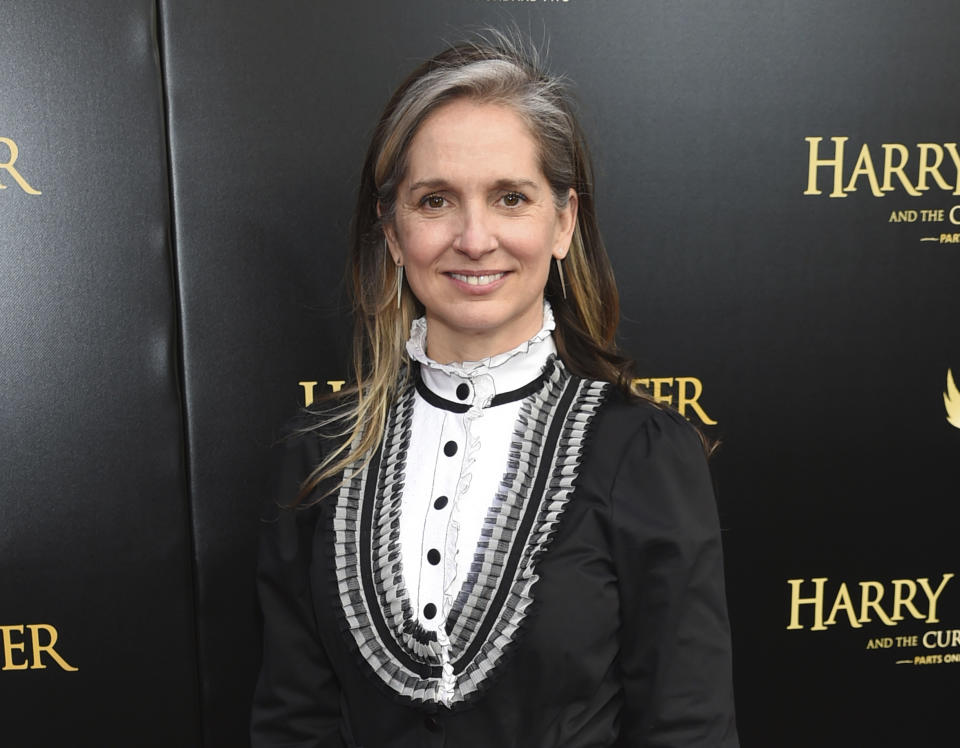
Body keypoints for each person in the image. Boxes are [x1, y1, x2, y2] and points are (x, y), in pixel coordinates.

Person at [251, 30, 739, 748]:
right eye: (436, 201)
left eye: (511, 198)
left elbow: (686, 728)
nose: (475, 238)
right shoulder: (318, 454)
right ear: (392, 232)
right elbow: (294, 722)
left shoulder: (644, 455)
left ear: (563, 222)